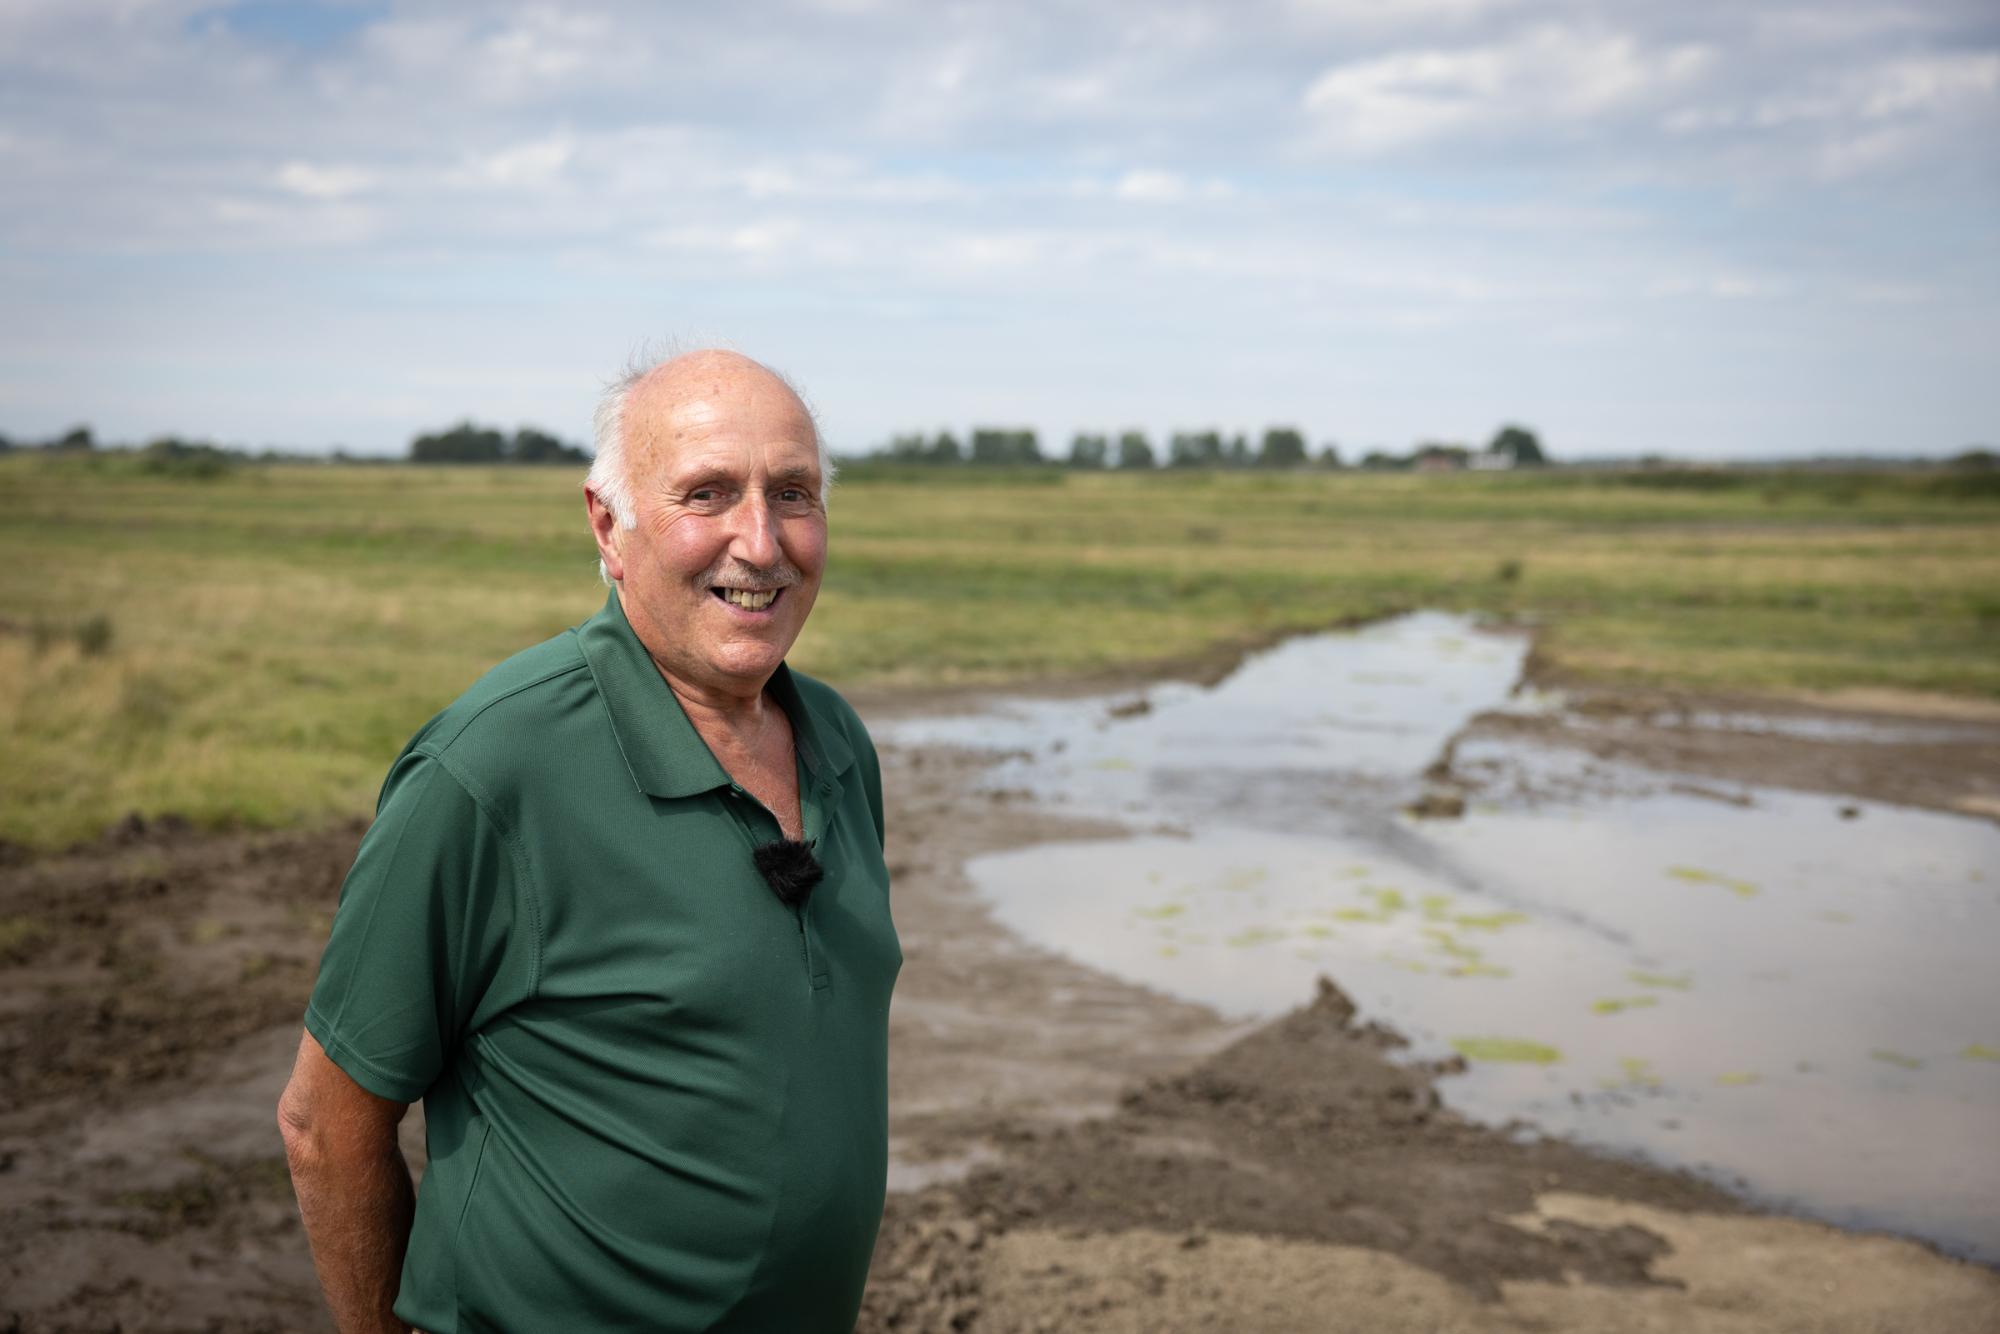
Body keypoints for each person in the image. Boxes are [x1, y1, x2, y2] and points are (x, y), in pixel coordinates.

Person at [277, 348, 900, 1333]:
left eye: (793, 493)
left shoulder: (835, 742)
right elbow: (325, 1122)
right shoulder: (494, 765)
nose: (761, 540)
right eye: (707, 493)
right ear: (609, 526)